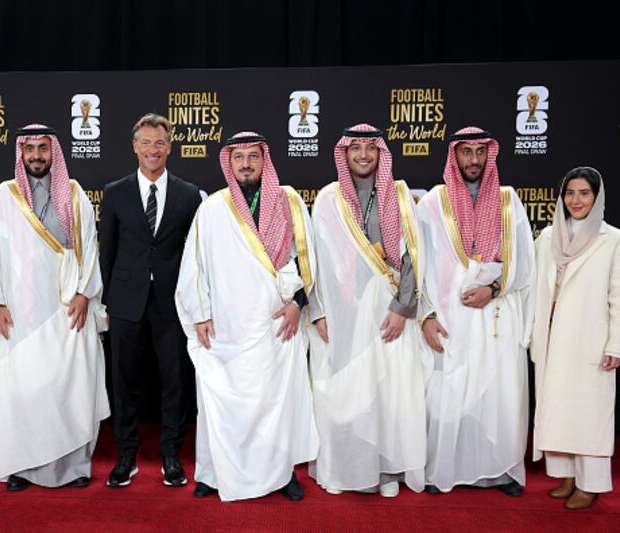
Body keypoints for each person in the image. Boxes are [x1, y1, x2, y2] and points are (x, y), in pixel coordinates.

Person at [175, 132, 318, 501]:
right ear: (229, 162)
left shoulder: (289, 202)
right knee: (221, 401)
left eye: (253, 156)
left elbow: (308, 260)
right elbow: (194, 267)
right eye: (238, 157)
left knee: (276, 403)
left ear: (264, 159)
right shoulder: (212, 208)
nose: (246, 164)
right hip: (226, 327)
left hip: (276, 325)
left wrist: (297, 304)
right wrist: (200, 315)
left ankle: (281, 473)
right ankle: (213, 473)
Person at [308, 124, 428, 498]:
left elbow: (413, 256)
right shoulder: (328, 199)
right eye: (355, 148)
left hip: (389, 311)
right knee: (349, 392)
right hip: (345, 313)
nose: (363, 155)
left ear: (380, 153)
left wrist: (402, 307)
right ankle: (348, 467)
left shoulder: (400, 195)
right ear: (344, 153)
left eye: (370, 148)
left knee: (389, 391)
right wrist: (319, 311)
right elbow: (316, 260)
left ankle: (387, 470)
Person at [0, 124, 110, 491]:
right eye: (30, 149)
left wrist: (85, 293)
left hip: (66, 309)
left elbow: (89, 246)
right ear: (21, 154)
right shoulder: (4, 196)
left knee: (69, 386)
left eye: (43, 148)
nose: (37, 156)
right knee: (23, 387)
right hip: (21, 310)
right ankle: (22, 467)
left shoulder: (73, 194)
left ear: (53, 152)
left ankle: (74, 468)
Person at [417, 127, 535, 496]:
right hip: (450, 318)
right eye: (466, 152)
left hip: (496, 315)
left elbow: (525, 264)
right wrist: (425, 316)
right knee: (448, 394)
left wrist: (493, 289)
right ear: (454, 155)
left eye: (479, 152)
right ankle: (444, 470)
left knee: (497, 394)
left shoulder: (507, 201)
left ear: (489, 155)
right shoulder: (432, 204)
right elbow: (417, 267)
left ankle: (500, 471)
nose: (473, 159)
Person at [99, 113, 202, 488]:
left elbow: (195, 254)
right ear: (134, 147)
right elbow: (107, 251)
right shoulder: (115, 192)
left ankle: (171, 455)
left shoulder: (189, 195)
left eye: (159, 142)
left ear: (170, 147)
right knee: (124, 381)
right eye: (145, 142)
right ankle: (126, 456)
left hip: (171, 303)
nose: (152, 150)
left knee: (174, 381)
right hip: (125, 302)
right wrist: (107, 303)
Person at [530, 167, 620, 510]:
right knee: (558, 409)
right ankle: (566, 476)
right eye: (570, 193)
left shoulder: (613, 240)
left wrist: (616, 344)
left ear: (597, 197)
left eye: (584, 193)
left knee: (589, 415)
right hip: (552, 338)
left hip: (590, 338)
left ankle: (591, 484)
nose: (576, 200)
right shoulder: (547, 237)